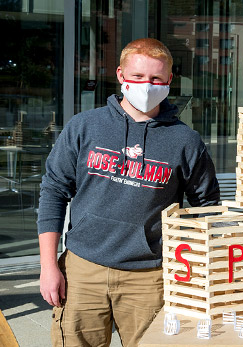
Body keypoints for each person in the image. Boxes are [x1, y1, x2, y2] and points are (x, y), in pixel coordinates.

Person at [38, 38, 220, 347]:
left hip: (149, 277)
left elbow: (207, 207)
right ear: (121, 75)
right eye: (137, 77)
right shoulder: (85, 126)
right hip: (83, 270)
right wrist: (48, 266)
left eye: (156, 79)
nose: (146, 86)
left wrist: (193, 269)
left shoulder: (185, 141)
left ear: (169, 81)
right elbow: (54, 192)